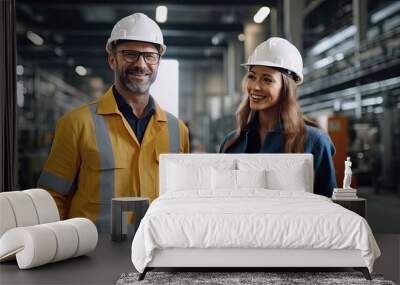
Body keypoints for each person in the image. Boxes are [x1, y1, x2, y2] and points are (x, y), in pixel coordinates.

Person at [37, 13, 190, 230]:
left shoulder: (178, 130)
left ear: (158, 62)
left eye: (149, 56)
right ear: (112, 59)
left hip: (156, 254)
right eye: (129, 54)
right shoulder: (75, 124)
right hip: (92, 257)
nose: (141, 64)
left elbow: (182, 199)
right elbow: (51, 198)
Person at [219, 37, 336, 197]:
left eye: (267, 80)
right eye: (252, 76)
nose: (255, 87)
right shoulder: (231, 143)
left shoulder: (314, 142)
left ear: (287, 88)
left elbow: (328, 208)